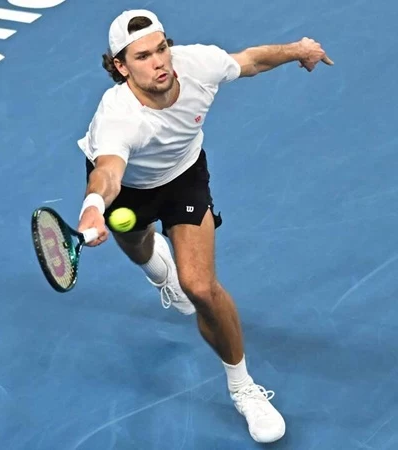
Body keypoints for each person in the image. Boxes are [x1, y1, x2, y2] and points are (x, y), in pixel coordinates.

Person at [75, 8, 332, 444]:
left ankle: (243, 388)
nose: (159, 62)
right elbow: (108, 172)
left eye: (161, 49)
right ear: (121, 67)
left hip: (184, 177)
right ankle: (157, 267)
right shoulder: (117, 116)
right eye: (142, 57)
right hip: (130, 190)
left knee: (200, 287)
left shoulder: (197, 65)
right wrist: (94, 205)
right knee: (138, 246)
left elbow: (250, 60)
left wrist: (298, 49)